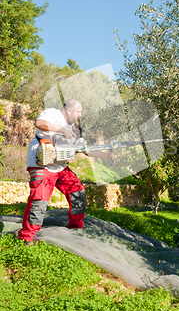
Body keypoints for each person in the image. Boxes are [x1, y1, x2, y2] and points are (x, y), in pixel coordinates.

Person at [18, 98, 111, 243]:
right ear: (70, 110)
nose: (80, 115)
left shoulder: (75, 128)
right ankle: (27, 238)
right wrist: (62, 130)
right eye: (78, 112)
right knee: (39, 200)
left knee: (77, 192)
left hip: (60, 167)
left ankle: (75, 228)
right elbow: (39, 124)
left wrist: (106, 155)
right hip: (41, 164)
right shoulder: (52, 114)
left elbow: (85, 150)